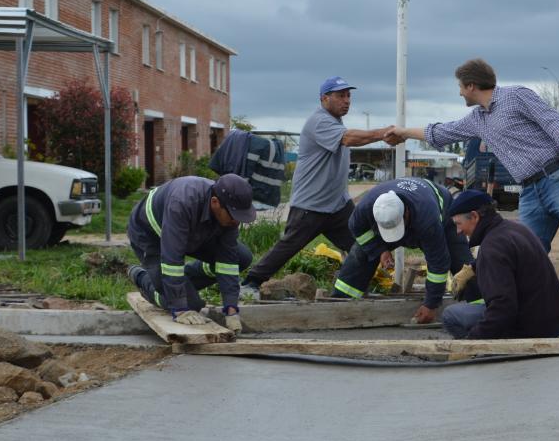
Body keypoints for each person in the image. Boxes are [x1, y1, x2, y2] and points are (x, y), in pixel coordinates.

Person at [387, 58, 559, 339]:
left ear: (471, 85)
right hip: (529, 190)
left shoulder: (516, 96)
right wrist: (404, 132)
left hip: (558, 178)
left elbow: (553, 121)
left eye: (460, 87)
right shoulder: (478, 120)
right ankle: (526, 316)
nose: (459, 93)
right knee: (526, 252)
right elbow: (441, 132)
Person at [240, 77, 395, 298]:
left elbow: (349, 139)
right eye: (340, 96)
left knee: (363, 244)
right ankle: (250, 283)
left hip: (338, 206)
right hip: (310, 206)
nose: (347, 101)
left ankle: (353, 288)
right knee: (288, 247)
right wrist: (383, 133)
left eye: (349, 95)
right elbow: (350, 139)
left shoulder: (335, 122)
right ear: (324, 98)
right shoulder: (319, 121)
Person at [329, 177, 479, 324]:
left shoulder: (427, 219)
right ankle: (341, 304)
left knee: (461, 262)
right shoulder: (366, 207)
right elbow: (357, 229)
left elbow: (438, 263)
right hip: (399, 215)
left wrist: (431, 304)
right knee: (361, 255)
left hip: (440, 211)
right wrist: (379, 250)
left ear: (406, 213)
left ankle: (480, 307)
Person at [126, 173, 257, 333]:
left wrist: (231, 308)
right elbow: (172, 258)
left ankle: (181, 282)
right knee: (189, 304)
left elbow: (228, 260)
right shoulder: (182, 203)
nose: (236, 222)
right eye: (234, 217)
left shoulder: (228, 211)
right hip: (151, 236)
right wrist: (180, 309)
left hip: (194, 231)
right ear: (215, 203)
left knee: (242, 258)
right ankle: (143, 278)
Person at [441, 190, 559, 339]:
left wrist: (471, 344)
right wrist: (473, 268)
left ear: (475, 216)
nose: (458, 231)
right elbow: (509, 259)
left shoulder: (492, 247)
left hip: (531, 328)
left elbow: (503, 309)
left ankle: (490, 356)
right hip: (554, 320)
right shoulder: (515, 229)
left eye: (458, 224)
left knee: (451, 316)